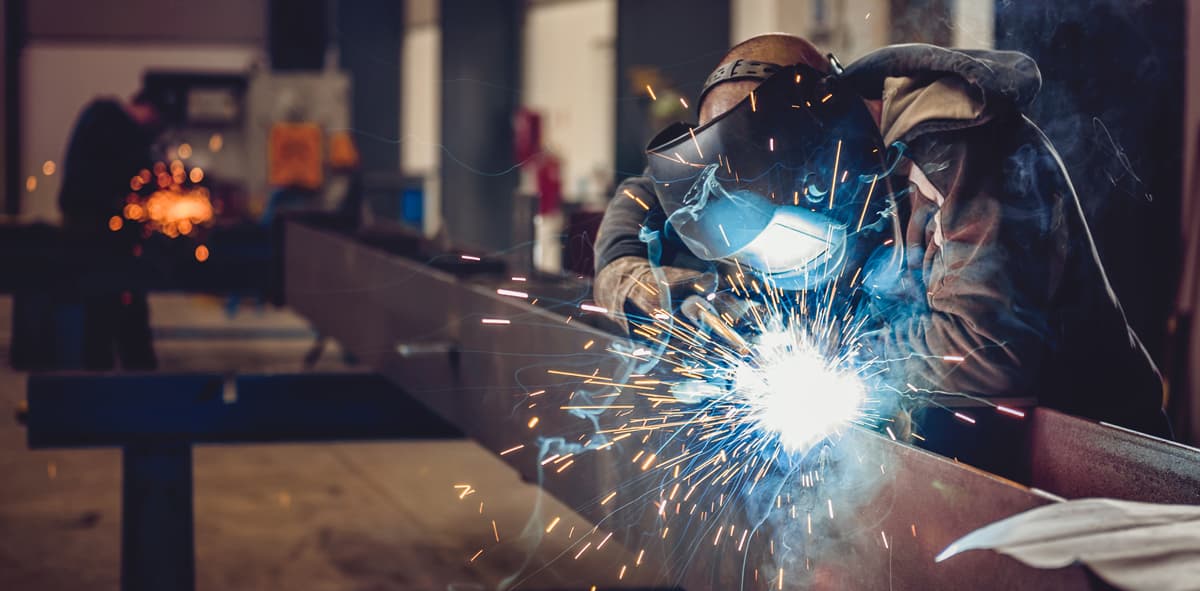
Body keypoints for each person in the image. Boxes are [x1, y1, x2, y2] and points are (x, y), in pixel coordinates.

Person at [593, 34, 1171, 437]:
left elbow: (984, 350)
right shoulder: (804, 153)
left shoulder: (962, 148)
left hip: (1094, 465)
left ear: (820, 151)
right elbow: (645, 193)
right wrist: (627, 271)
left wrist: (822, 358)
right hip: (963, 450)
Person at [57, 89, 164, 370]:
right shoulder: (116, 124)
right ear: (147, 109)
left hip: (92, 235)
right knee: (120, 311)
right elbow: (135, 175)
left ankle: (104, 381)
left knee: (104, 314)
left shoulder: (100, 117)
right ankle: (135, 379)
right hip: (103, 239)